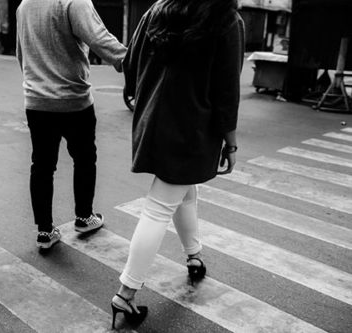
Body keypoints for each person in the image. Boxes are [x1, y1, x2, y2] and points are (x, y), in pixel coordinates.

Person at [111, 0, 245, 328]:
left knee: (184, 190)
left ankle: (194, 255)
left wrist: (140, 96)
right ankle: (125, 295)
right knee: (159, 207)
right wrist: (230, 140)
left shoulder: (159, 9)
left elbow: (130, 63)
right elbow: (227, 89)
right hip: (192, 129)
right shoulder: (225, 18)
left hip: (153, 120)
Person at [16, 0, 127, 249]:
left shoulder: (25, 5)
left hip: (36, 101)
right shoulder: (74, 2)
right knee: (85, 158)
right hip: (73, 100)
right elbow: (99, 38)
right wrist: (130, 60)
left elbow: (21, 53)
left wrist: (35, 84)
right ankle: (84, 217)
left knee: (42, 166)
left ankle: (45, 231)